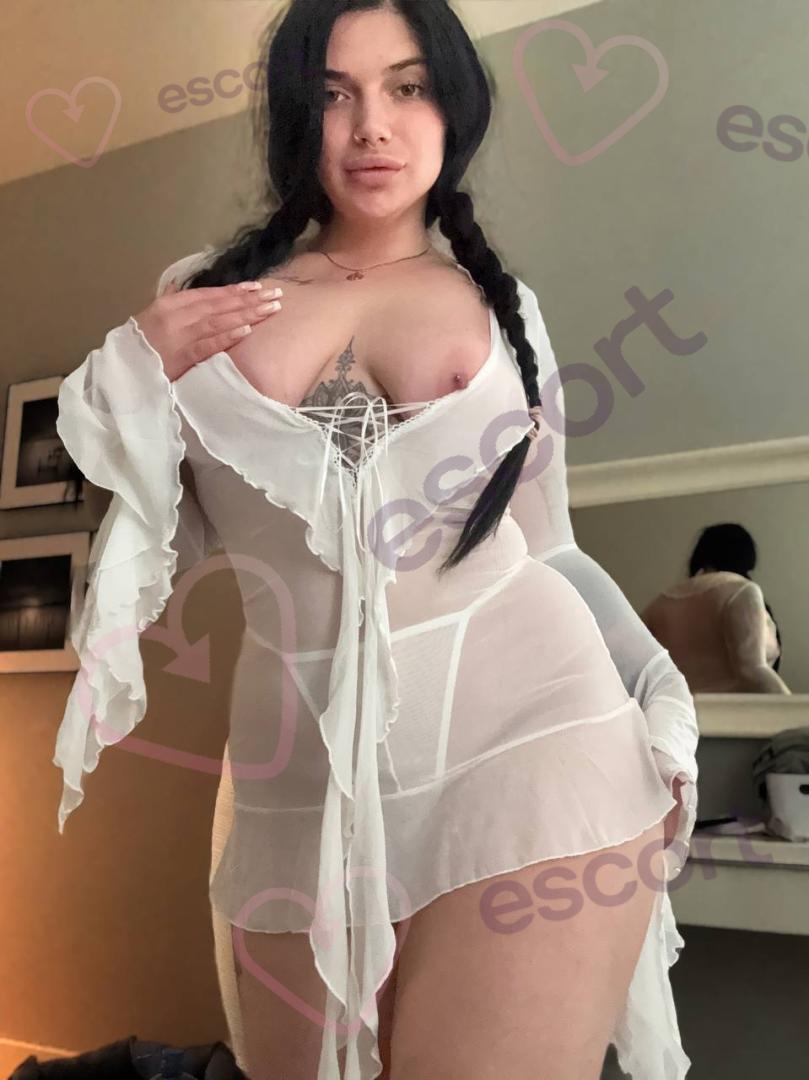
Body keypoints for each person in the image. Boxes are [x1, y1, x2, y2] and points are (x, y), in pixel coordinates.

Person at [53, 2, 700, 1078]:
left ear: (453, 106)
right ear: (293, 116)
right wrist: (132, 364)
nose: (371, 127)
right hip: (294, 780)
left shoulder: (505, 310)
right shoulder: (201, 298)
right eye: (333, 95)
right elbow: (142, 531)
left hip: (531, 740)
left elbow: (548, 549)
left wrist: (659, 690)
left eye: (407, 88)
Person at [642, 523, 790, 694]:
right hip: (732, 708)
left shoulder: (659, 603)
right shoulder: (742, 591)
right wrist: (794, 706)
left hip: (677, 707)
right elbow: (752, 670)